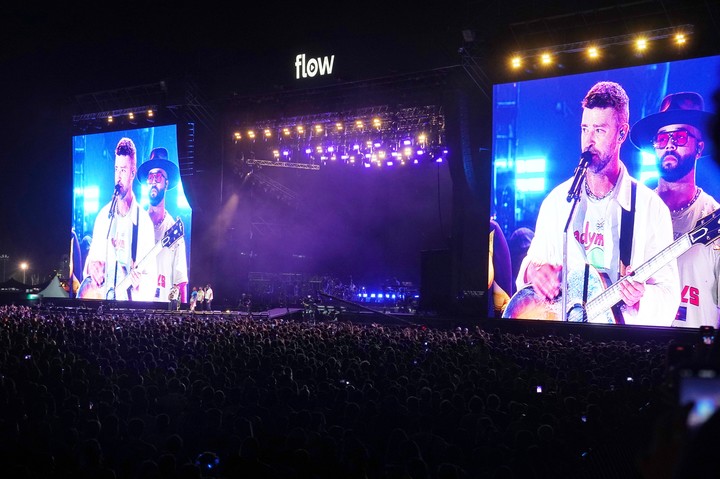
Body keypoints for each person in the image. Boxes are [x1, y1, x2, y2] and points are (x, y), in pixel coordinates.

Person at [513, 81, 680, 325]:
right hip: (563, 344)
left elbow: (668, 295)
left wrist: (640, 298)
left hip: (621, 348)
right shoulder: (557, 201)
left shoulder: (651, 209)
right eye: (584, 129)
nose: (588, 141)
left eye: (599, 130)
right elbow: (529, 271)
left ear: (621, 133)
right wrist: (534, 272)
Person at [630, 91, 720, 329]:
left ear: (699, 148)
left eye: (679, 137)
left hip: (693, 356)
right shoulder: (633, 210)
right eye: (662, 139)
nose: (669, 144)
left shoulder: (714, 218)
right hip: (636, 353)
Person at [78, 137, 157, 301]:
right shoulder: (103, 217)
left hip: (129, 311)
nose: (119, 176)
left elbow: (151, 281)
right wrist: (92, 267)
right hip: (102, 308)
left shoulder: (143, 223)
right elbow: (91, 266)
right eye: (116, 169)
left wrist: (138, 284)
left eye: (123, 170)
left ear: (132, 173)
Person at [137, 147, 189, 306]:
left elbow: (181, 281)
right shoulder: (136, 222)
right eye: (150, 176)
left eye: (158, 176)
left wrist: (183, 317)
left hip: (162, 310)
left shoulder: (174, 229)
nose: (153, 180)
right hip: (135, 307)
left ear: (166, 183)